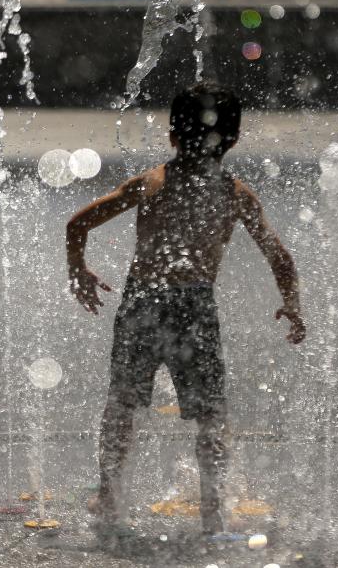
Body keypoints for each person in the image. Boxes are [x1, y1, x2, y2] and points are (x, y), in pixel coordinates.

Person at [65, 83, 305, 536]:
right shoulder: (236, 195)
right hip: (194, 306)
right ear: (233, 140)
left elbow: (77, 223)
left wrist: (79, 271)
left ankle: (109, 500)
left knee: (122, 407)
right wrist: (292, 306)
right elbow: (281, 258)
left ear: (172, 135)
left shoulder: (151, 183)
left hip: (142, 301)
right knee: (212, 417)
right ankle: (214, 519)